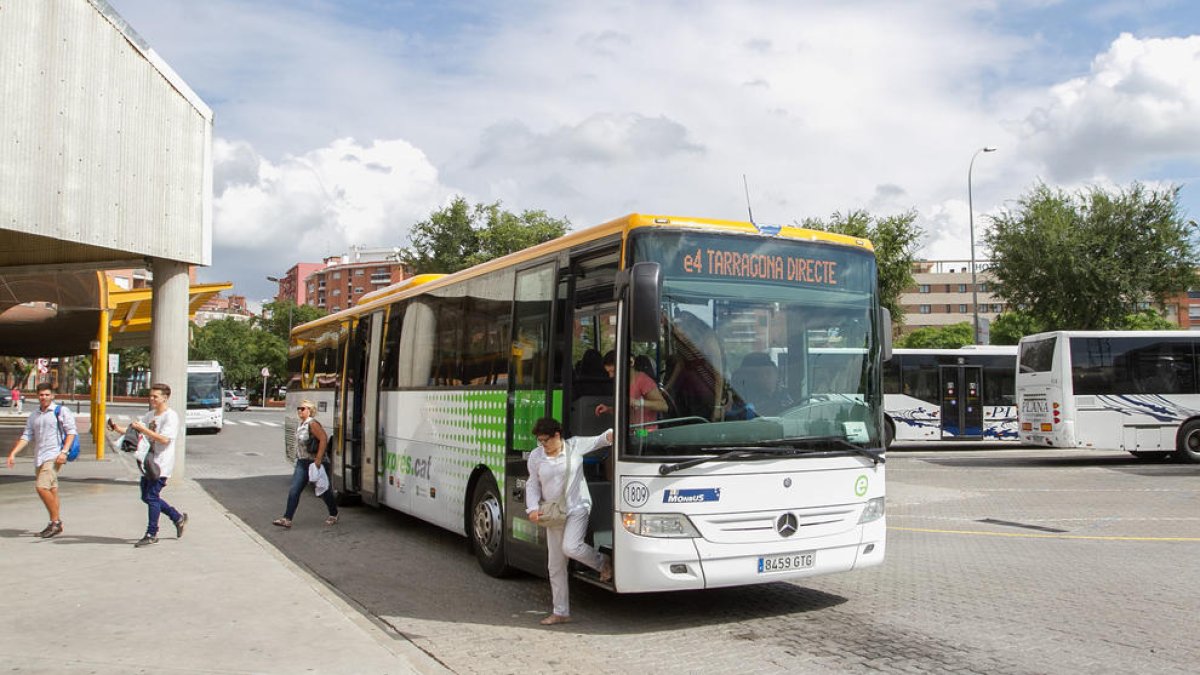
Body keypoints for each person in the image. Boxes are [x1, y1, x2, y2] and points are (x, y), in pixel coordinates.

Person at [525, 417, 613, 626]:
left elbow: (601, 439)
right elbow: (532, 484)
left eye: (545, 440)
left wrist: (613, 433)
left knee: (571, 547)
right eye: (540, 441)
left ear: (557, 435)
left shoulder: (574, 445)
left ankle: (603, 563)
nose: (543, 445)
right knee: (555, 564)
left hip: (577, 507)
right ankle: (561, 612)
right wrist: (533, 508)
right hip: (554, 512)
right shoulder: (536, 457)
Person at [108, 382, 186, 547]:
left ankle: (152, 533)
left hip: (160, 464)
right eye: (150, 396)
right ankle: (177, 517)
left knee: (151, 497)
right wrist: (116, 428)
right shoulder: (150, 415)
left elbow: (164, 439)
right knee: (147, 496)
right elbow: (134, 431)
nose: (151, 399)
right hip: (147, 462)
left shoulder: (170, 416)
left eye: (155, 396)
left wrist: (143, 430)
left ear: (165, 398)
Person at [5, 382, 76, 538]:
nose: (44, 397)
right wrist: (13, 453)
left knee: (41, 487)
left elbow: (71, 432)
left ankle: (55, 522)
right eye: (41, 395)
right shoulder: (34, 415)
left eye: (47, 394)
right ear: (38, 396)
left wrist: (64, 452)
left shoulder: (60, 411)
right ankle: (55, 523)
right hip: (40, 456)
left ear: (52, 395)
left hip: (54, 455)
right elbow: (27, 435)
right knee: (51, 490)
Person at [273, 399, 338, 528]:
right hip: (302, 462)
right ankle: (287, 518)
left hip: (315, 463)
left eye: (302, 409)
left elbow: (324, 438)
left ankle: (333, 513)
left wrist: (319, 459)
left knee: (324, 490)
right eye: (299, 408)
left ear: (309, 411)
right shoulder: (301, 424)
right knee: (294, 490)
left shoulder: (312, 424)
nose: (299, 411)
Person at [595, 350, 668, 428]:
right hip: (631, 431)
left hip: (646, 433)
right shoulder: (622, 383)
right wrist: (609, 409)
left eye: (613, 371)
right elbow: (627, 410)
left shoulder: (643, 380)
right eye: (608, 372)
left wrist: (638, 402)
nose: (611, 376)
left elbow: (664, 406)